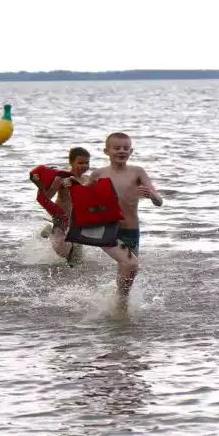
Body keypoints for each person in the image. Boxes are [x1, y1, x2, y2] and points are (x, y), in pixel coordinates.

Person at [85, 132, 163, 309]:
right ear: (106, 151)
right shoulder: (98, 174)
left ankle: (118, 308)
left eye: (125, 148)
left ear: (131, 151)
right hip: (107, 230)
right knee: (132, 264)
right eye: (117, 148)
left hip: (131, 231)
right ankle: (120, 307)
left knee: (126, 273)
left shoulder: (137, 172)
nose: (121, 151)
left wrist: (151, 195)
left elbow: (159, 202)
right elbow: (82, 200)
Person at [31, 148, 91, 261]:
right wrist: (40, 185)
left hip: (78, 222)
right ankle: (50, 232)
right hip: (61, 217)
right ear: (71, 162)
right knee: (62, 252)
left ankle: (71, 276)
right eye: (80, 162)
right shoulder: (62, 177)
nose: (84, 165)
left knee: (77, 258)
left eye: (87, 162)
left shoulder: (87, 179)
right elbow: (47, 196)